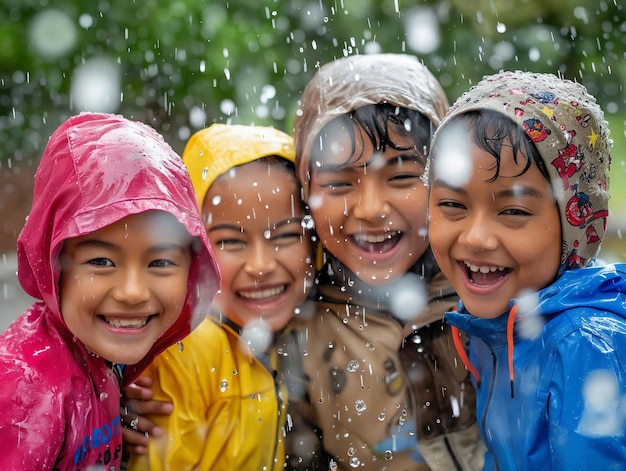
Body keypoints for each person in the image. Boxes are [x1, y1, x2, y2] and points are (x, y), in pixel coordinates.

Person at [284, 53, 485, 470]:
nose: (371, 208)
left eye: (402, 177)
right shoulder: (297, 329)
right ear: (306, 190)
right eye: (339, 182)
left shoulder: (489, 296)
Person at [426, 70, 626, 469]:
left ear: (576, 228)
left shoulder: (581, 346)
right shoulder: (501, 322)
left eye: (513, 211)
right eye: (453, 205)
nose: (477, 237)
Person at [0, 112, 219, 470]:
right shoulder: (23, 388)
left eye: (160, 263)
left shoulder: (102, 365)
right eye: (101, 262)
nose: (132, 292)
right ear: (52, 263)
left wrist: (110, 407)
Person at [123, 124, 316, 470]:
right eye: (231, 241)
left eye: (285, 235)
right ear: (188, 248)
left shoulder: (292, 334)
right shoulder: (187, 352)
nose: (261, 265)